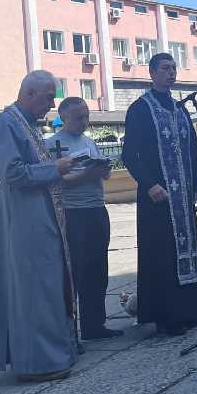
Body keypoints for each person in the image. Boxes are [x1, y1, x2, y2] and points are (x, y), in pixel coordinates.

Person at [0, 71, 78, 382]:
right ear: (29, 93)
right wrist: (55, 168)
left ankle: (57, 351)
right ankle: (37, 362)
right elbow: (12, 173)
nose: (52, 104)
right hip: (26, 220)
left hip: (43, 216)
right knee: (34, 289)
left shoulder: (27, 124)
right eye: (49, 97)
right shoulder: (6, 123)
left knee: (49, 285)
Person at [121, 53, 197, 335]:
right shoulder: (140, 109)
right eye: (165, 68)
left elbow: (192, 151)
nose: (171, 73)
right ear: (151, 73)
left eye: (174, 68)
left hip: (183, 195)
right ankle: (168, 316)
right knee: (162, 254)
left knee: (189, 250)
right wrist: (149, 184)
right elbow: (129, 155)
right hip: (157, 197)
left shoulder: (180, 108)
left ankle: (193, 309)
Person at [45, 97, 121, 341]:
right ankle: (70, 329)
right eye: (79, 117)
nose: (84, 122)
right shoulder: (51, 145)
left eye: (87, 116)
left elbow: (103, 175)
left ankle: (95, 325)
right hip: (72, 212)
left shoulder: (89, 142)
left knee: (98, 269)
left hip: (96, 209)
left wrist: (103, 170)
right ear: (64, 117)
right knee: (75, 269)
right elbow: (55, 181)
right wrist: (88, 174)